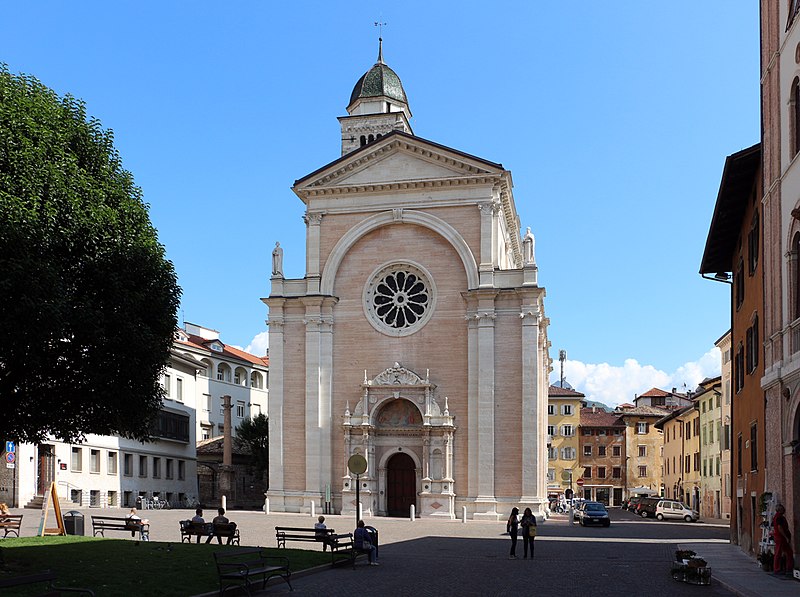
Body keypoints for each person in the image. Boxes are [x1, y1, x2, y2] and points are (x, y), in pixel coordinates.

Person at [773, 504, 794, 576]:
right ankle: (777, 569)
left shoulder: (778, 517)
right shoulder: (779, 517)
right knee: (779, 553)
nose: (784, 510)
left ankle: (788, 568)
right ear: (779, 510)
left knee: (788, 552)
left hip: (780, 537)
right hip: (780, 538)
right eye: (782, 509)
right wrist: (786, 537)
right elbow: (779, 528)